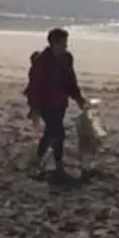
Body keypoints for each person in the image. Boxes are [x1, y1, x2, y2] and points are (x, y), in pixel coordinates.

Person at [24, 27, 87, 177]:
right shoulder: (42, 62)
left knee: (51, 132)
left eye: (66, 43)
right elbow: (34, 86)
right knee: (58, 132)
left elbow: (71, 81)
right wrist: (34, 108)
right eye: (62, 44)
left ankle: (38, 158)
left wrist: (79, 98)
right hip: (45, 103)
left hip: (60, 102)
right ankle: (58, 164)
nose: (65, 47)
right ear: (53, 44)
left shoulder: (67, 58)